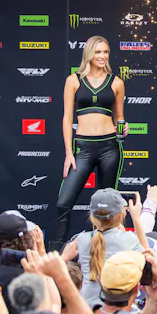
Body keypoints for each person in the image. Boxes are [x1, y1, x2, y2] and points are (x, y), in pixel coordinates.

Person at [53, 35, 127, 245]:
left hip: (109, 147)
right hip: (83, 148)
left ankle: (104, 251)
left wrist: (124, 126)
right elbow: (67, 118)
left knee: (107, 208)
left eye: (106, 52)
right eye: (98, 52)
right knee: (63, 203)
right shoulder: (73, 80)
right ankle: (57, 253)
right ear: (89, 54)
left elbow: (119, 116)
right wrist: (69, 153)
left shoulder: (117, 82)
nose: (103, 56)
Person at [60, 188, 148, 306]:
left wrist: (64, 257)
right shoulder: (128, 239)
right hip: (119, 306)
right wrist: (136, 218)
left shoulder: (82, 240)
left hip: (87, 307)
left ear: (92, 216)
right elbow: (149, 256)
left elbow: (60, 260)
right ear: (122, 214)